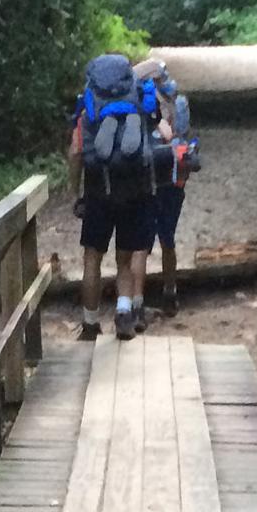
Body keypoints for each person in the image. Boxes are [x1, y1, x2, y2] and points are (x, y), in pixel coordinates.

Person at [68, 52, 162, 341]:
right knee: (125, 257)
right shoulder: (138, 100)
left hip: (99, 188)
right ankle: (123, 314)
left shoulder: (89, 109)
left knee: (92, 257)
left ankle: (90, 323)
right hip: (136, 187)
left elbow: (75, 152)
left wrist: (76, 192)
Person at [139, 63, 201, 316]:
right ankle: (170, 292)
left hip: (148, 180)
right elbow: (182, 135)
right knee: (167, 239)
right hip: (175, 179)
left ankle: (136, 300)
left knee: (141, 243)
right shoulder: (180, 101)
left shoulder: (140, 102)